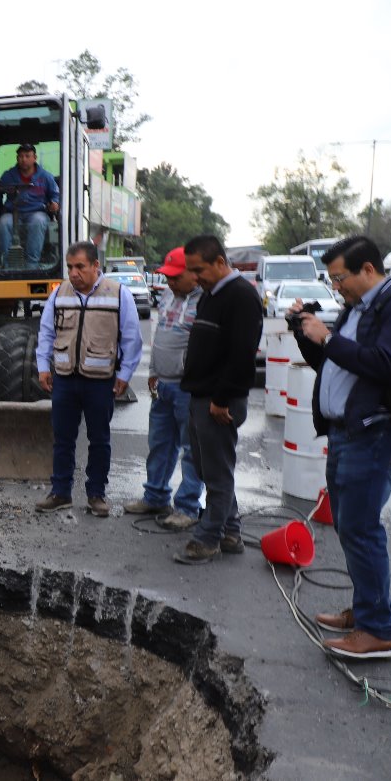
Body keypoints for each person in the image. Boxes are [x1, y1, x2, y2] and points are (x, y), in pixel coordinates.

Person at [291, 235, 391, 660]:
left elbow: (386, 364)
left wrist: (327, 339)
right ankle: (364, 611)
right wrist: (306, 332)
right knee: (349, 525)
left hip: (375, 434)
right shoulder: (359, 309)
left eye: (339, 277)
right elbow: (337, 362)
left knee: (361, 528)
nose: (335, 285)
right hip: (346, 432)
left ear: (368, 270)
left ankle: (378, 630)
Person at [35, 241, 143, 517]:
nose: (73, 273)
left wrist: (125, 374)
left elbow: (132, 338)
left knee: (99, 440)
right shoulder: (60, 293)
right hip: (65, 380)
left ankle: (96, 494)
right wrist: (43, 367)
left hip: (100, 381)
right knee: (63, 438)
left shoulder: (118, 295)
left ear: (96, 266)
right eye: (70, 267)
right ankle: (60, 492)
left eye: (80, 266)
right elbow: (46, 332)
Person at [173, 235, 263, 565]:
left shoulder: (241, 296)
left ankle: (208, 539)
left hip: (218, 401)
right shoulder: (212, 295)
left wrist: (222, 399)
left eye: (199, 270)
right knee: (210, 469)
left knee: (218, 473)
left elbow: (242, 355)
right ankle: (230, 530)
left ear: (220, 263)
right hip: (201, 396)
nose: (195, 277)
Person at [124, 247, 204, 528]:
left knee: (191, 449)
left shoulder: (206, 301)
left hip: (188, 388)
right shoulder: (170, 296)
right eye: (167, 276)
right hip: (164, 385)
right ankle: (155, 496)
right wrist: (154, 370)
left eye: (175, 276)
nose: (169, 282)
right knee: (160, 444)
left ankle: (187, 507)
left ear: (194, 274)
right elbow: (161, 335)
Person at [0, 143, 60, 268]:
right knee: (4, 222)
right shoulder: (8, 176)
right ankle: (7, 264)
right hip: (13, 213)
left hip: (36, 212)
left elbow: (55, 194)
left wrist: (55, 203)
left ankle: (32, 263)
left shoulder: (45, 177)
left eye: (27, 156)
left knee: (38, 221)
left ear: (34, 158)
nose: (24, 159)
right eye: (20, 156)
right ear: (17, 158)